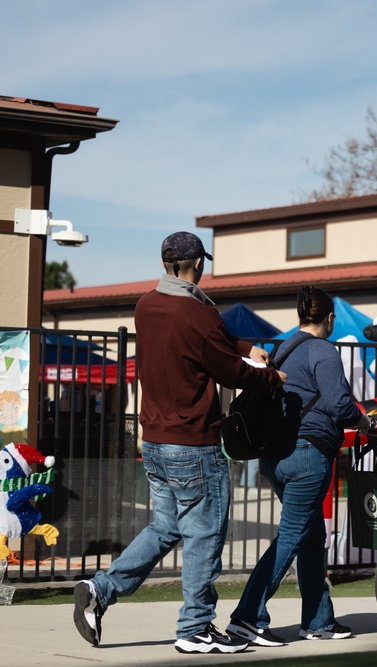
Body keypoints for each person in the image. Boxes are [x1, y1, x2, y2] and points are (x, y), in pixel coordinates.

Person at [73, 231, 286, 654]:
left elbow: (204, 343)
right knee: (205, 533)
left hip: (154, 440)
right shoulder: (198, 314)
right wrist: (268, 375)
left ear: (162, 263)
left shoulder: (146, 306)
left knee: (166, 527)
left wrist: (246, 347)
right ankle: (196, 628)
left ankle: (100, 589)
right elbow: (230, 370)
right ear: (199, 265)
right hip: (194, 443)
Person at [227, 286, 377, 647]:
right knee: (293, 536)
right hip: (308, 455)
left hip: (275, 455)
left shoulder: (284, 348)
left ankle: (318, 620)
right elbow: (341, 406)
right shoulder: (324, 351)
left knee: (312, 536)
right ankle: (247, 617)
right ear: (328, 318)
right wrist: (365, 423)